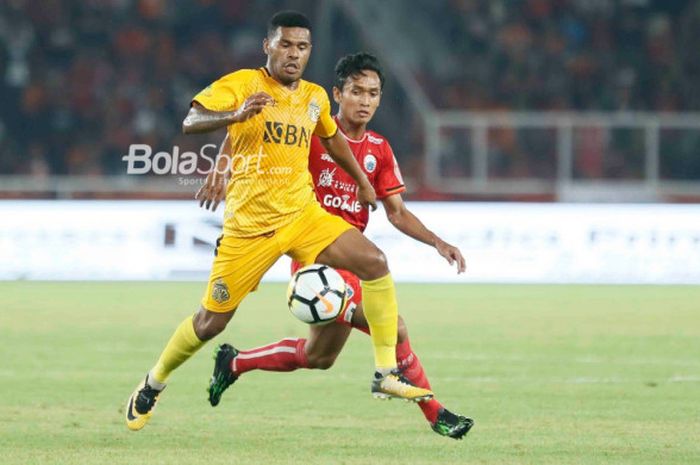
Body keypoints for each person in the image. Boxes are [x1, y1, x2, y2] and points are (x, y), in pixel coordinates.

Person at [125, 11, 432, 432]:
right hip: (250, 227)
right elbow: (191, 120)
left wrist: (362, 181)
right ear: (267, 46)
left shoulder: (314, 96)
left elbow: (332, 138)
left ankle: (385, 374)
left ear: (310, 52)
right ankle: (153, 383)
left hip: (303, 215)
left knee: (375, 263)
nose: (293, 54)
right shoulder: (243, 84)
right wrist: (233, 119)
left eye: (302, 47)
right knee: (209, 322)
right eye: (285, 45)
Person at [207, 53, 474, 439]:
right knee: (394, 328)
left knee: (318, 358)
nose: (365, 101)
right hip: (315, 261)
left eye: (373, 93)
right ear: (337, 94)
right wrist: (225, 186)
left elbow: (396, 212)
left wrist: (437, 242)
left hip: (354, 262)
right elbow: (251, 140)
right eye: (356, 92)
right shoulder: (309, 135)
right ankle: (437, 414)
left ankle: (234, 362)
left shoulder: (379, 149)